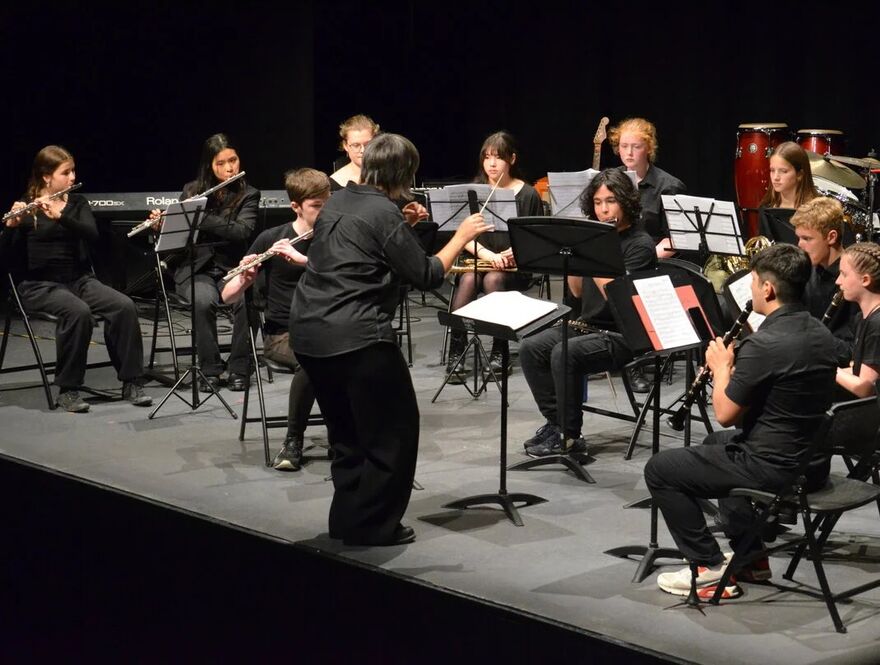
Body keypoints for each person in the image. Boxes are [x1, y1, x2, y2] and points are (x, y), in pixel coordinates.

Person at [289, 133, 491, 547]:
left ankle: (348, 520)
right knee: (392, 432)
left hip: (310, 331)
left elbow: (374, 252)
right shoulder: (383, 213)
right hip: (356, 335)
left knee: (346, 434)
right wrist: (462, 235)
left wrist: (406, 225)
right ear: (405, 173)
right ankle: (375, 526)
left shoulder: (339, 200)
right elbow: (427, 274)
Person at [645, 244, 837, 600]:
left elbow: (725, 412)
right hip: (811, 459)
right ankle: (752, 560)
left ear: (768, 288)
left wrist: (721, 369)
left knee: (660, 469)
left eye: (752, 283)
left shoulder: (765, 344)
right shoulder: (820, 332)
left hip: (772, 467)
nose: (750, 291)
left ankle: (708, 565)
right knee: (716, 443)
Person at [0, 145, 152, 412]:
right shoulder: (26, 205)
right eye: (66, 172)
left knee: (124, 306)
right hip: (39, 284)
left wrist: (60, 217)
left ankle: (131, 381)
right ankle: (68, 389)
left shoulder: (77, 203)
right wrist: (12, 227)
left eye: (73, 171)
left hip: (78, 279)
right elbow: (7, 257)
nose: (72, 177)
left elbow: (91, 234)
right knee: (78, 312)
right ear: (47, 176)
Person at [519, 168, 656, 457]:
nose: (603, 209)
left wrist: (597, 252)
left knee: (564, 353)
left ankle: (569, 436)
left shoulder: (639, 245)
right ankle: (557, 423)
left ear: (626, 202)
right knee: (531, 347)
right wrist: (573, 253)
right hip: (590, 325)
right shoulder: (597, 238)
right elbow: (579, 293)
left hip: (624, 333)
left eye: (611, 201)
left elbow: (620, 299)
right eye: (597, 202)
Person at [222, 168, 330, 470]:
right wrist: (246, 279)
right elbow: (227, 296)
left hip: (329, 328)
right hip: (284, 335)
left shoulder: (334, 238)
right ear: (295, 206)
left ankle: (347, 434)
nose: (324, 212)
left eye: (327, 204)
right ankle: (293, 441)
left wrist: (305, 261)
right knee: (314, 360)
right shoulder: (272, 238)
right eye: (316, 206)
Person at [152, 133, 260, 391]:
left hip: (231, 268)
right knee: (202, 301)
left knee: (247, 301)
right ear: (209, 166)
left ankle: (239, 368)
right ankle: (210, 369)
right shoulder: (191, 191)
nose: (229, 168)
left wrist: (201, 215)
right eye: (220, 163)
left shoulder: (250, 194)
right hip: (195, 268)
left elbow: (242, 231)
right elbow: (178, 239)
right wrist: (162, 226)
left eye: (232, 160)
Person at [446, 131, 544, 377]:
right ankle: (456, 351)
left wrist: (515, 251)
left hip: (514, 266)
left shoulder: (529, 194)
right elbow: (464, 237)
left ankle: (499, 351)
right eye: (487, 157)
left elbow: (534, 236)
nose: (491, 163)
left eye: (498, 157)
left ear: (511, 159)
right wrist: (489, 256)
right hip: (480, 259)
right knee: (469, 279)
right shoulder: (474, 192)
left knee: (493, 279)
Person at [792, 196, 858, 365]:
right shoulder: (808, 270)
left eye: (807, 238)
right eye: (799, 238)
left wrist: (813, 341)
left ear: (831, 237)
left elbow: (854, 351)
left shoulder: (854, 282)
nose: (800, 245)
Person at [608, 117, 686, 259]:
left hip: (653, 261)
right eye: (624, 146)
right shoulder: (610, 180)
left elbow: (675, 239)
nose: (629, 152)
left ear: (649, 148)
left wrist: (643, 259)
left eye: (636, 146)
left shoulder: (669, 187)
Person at [834, 242, 880, 397]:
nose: (838, 281)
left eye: (844, 274)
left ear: (865, 280)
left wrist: (828, 369)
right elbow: (858, 370)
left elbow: (866, 388)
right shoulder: (862, 318)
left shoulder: (877, 323)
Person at [759, 141, 819, 211]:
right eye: (772, 170)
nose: (775, 177)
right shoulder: (766, 209)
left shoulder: (816, 212)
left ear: (799, 174)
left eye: (783, 171)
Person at [329, 114, 380, 191]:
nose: (363, 150)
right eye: (356, 145)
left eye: (368, 144)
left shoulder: (391, 173)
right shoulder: (335, 182)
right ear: (345, 146)